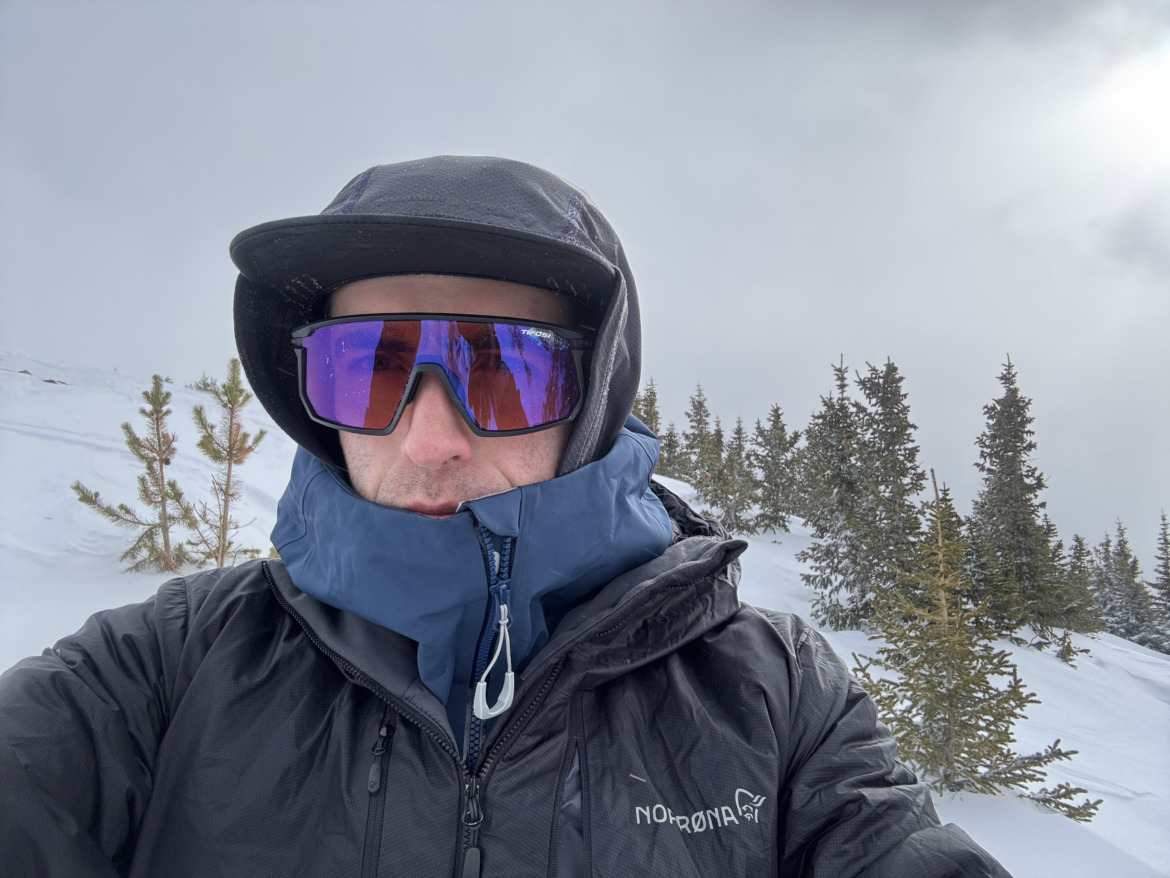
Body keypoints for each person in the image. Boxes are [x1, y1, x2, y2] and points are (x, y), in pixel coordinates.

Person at [0, 156, 1010, 877]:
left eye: (504, 368)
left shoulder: (772, 694)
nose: (429, 439)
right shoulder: (167, 668)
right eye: (371, 365)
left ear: (593, 394)